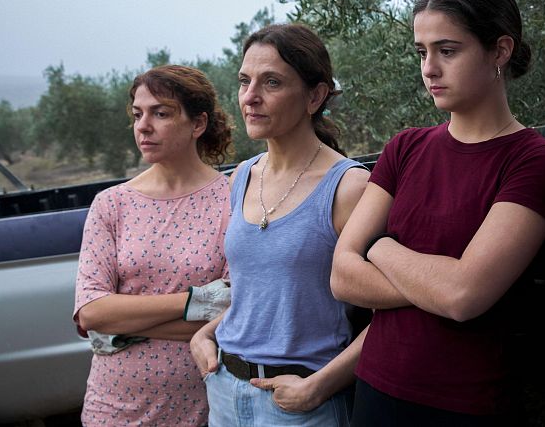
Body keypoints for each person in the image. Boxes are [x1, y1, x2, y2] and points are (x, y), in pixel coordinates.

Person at [330, 0, 545, 425]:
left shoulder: (534, 161)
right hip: (375, 389)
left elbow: (463, 296)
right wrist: (436, 284)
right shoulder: (404, 148)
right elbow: (342, 276)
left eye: (448, 50)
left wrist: (379, 247)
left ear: (500, 50)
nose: (429, 69)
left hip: (465, 404)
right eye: (422, 52)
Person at [189, 23, 369, 426]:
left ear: (315, 96)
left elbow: (391, 318)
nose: (250, 97)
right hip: (225, 392)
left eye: (271, 82)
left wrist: (320, 386)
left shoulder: (349, 188)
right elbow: (258, 295)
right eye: (244, 81)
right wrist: (205, 334)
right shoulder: (241, 177)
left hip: (301, 405)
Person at [74, 65, 233, 426]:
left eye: (160, 113)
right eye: (137, 114)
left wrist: (122, 324)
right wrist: (198, 300)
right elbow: (91, 313)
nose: (143, 126)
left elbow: (232, 316)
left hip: (203, 406)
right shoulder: (111, 204)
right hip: (111, 408)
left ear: (198, 123)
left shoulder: (233, 199)